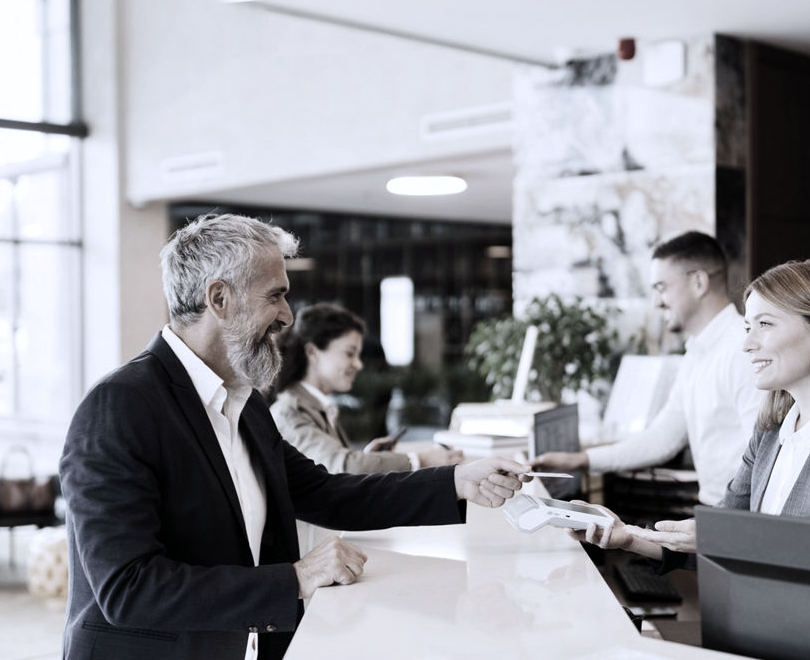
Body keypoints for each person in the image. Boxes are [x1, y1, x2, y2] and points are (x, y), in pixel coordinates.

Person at [59, 213, 529, 660]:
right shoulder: (119, 407)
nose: (287, 315)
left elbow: (326, 493)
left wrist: (455, 481)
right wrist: (296, 579)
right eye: (275, 295)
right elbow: (128, 589)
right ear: (219, 299)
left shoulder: (244, 402)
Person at [576, 258, 810, 567]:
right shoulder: (771, 431)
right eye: (747, 327)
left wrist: (725, 539)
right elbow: (719, 536)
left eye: (765, 325)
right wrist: (629, 536)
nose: (747, 344)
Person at [532, 231, 763, 506]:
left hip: (735, 519)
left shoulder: (743, 348)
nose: (656, 301)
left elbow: (761, 456)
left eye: (661, 287)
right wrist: (583, 460)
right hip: (714, 515)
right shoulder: (697, 352)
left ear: (699, 282)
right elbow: (663, 438)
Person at [269, 303, 464, 473]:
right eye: (349, 353)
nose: (358, 365)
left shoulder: (316, 407)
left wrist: (368, 458)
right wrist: (420, 460)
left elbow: (329, 469)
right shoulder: (290, 412)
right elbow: (343, 467)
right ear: (312, 352)